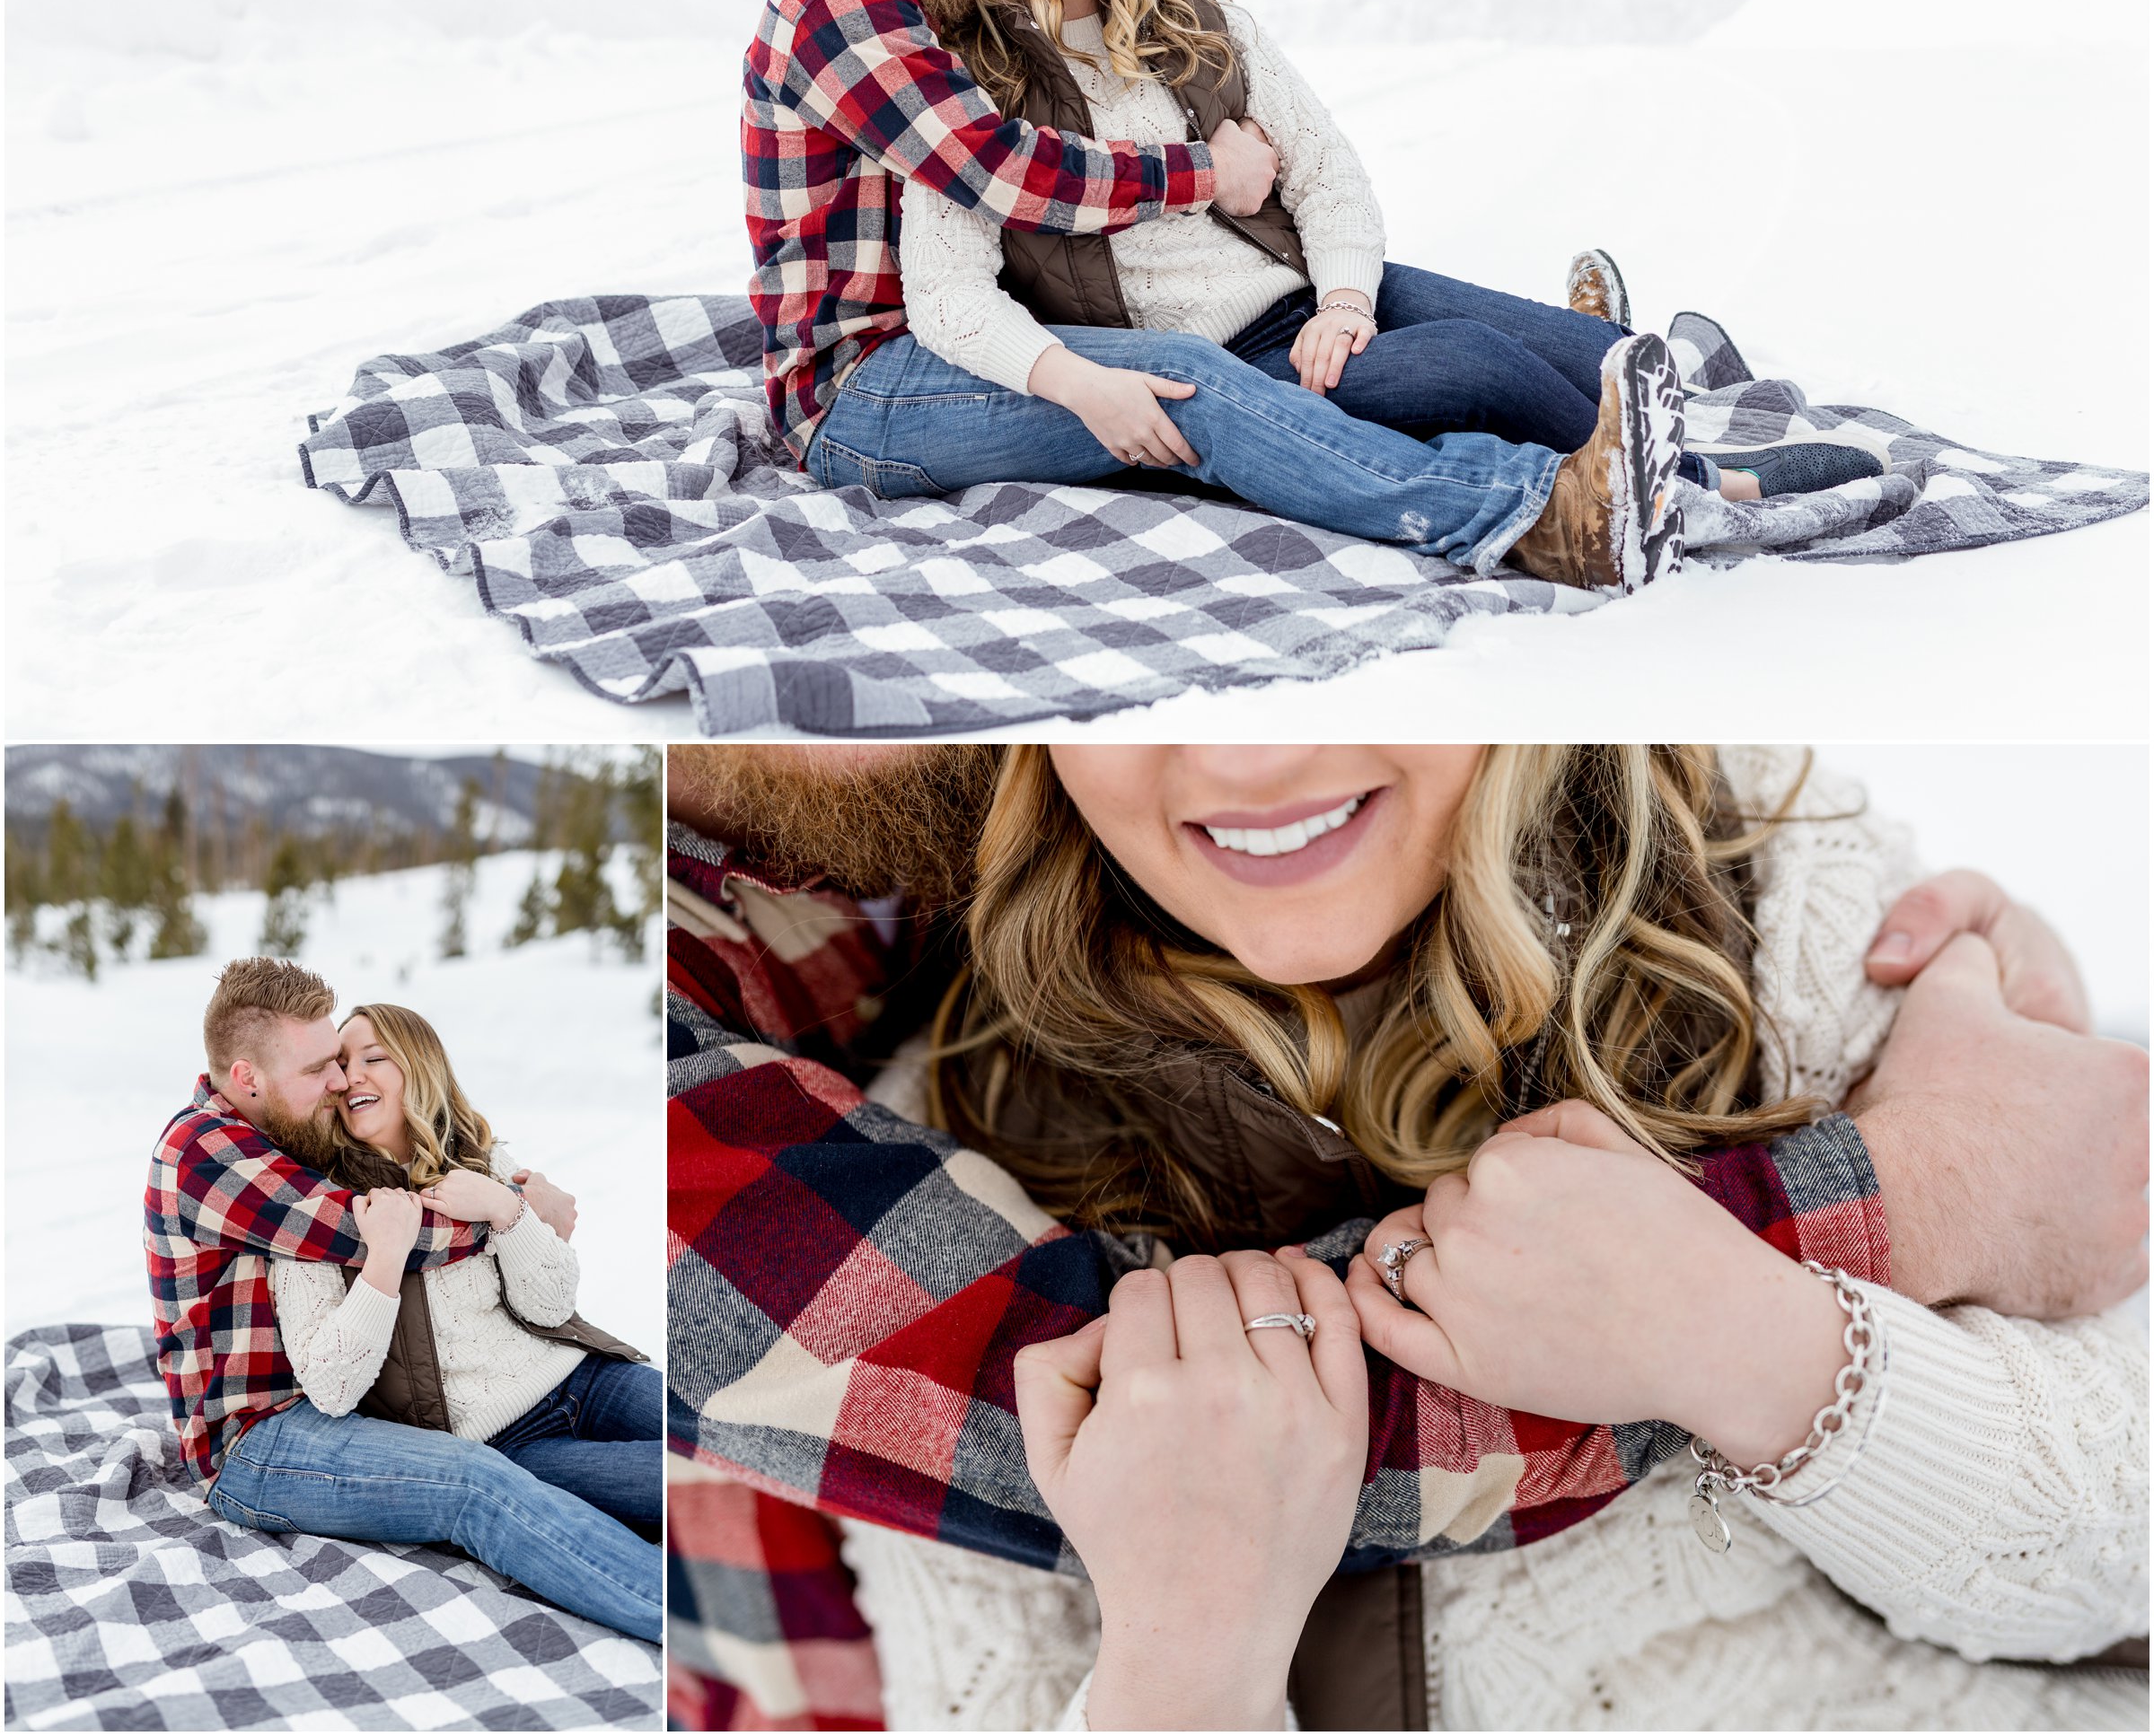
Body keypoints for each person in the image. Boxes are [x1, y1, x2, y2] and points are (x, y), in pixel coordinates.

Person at [664, 746, 2148, 1732]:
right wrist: (1187, 1659)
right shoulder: (966, 1131)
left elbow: (2110, 1554)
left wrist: (1757, 1341)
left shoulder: (1761, 893)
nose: (1249, 756)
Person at [745, 0, 1686, 593]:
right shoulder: (847, 6)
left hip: (991, 327)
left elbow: (1320, 165)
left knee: (1544, 347)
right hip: (859, 380)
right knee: (1191, 380)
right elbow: (999, 171)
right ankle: (1536, 513)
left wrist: (1342, 294)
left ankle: (1673, 458)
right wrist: (1193, 191)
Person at [902, 0, 1884, 509]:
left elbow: (1326, 170)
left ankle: (1608, 395)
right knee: (1472, 365)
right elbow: (945, 291)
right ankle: (1707, 485)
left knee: (1601, 352)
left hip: (1300, 292)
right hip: (1225, 364)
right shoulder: (975, 74)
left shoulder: (1193, 16)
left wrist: (1343, 300)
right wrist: (1075, 378)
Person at [148, 958, 662, 1645]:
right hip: (258, 1437)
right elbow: (366, 1233)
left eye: (347, 1061)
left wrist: (509, 1204)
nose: (339, 1082)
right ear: (247, 1079)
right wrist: (508, 1210)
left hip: (344, 1404)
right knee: (475, 1484)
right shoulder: (204, 1149)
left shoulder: (285, 1134)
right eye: (319, 1070)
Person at [262, 1002, 662, 1534]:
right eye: (341, 1062)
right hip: (506, 1442)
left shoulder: (480, 1161)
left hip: (587, 1377)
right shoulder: (322, 1208)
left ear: (419, 1068)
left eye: (375, 1058)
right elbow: (331, 1387)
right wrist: (384, 1258)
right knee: (693, 1482)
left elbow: (551, 1304)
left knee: (730, 1433)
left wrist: (505, 1209)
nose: (350, 1075)